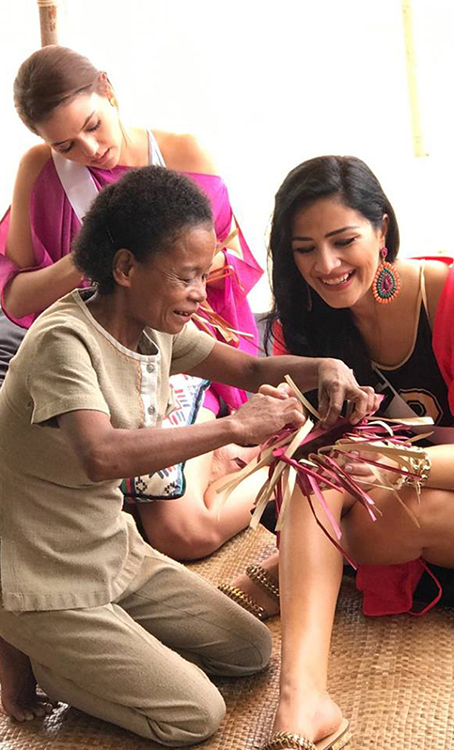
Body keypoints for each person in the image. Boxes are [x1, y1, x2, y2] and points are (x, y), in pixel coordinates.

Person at [0, 166, 374, 741]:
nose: (202, 293)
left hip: (108, 550)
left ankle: (89, 642)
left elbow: (248, 368)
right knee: (194, 716)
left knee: (250, 649)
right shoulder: (63, 342)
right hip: (40, 572)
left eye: (204, 275)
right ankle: (36, 646)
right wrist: (232, 428)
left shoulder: (155, 326)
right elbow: (100, 456)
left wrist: (324, 366)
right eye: (186, 277)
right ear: (125, 269)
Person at [226, 155, 454, 750]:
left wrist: (395, 461)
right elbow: (306, 449)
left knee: (356, 523)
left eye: (343, 240)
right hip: (364, 496)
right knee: (312, 475)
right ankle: (304, 700)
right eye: (303, 249)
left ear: (382, 229)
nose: (325, 265)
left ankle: (299, 568)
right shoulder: (302, 324)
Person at [0, 45, 263, 561]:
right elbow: (14, 297)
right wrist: (90, 257)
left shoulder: (183, 154)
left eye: (94, 125)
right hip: (86, 354)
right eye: (66, 144)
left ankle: (270, 459)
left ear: (109, 87)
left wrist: (170, 275)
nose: (89, 150)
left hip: (179, 348)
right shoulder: (41, 170)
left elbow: (229, 266)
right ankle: (221, 455)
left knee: (178, 532)